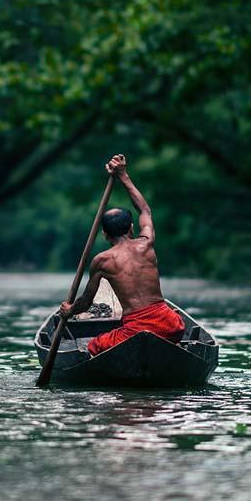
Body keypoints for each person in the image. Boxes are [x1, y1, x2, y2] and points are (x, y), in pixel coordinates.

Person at [59, 153, 184, 357]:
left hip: (135, 332)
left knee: (94, 346)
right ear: (132, 228)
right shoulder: (146, 244)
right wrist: (123, 175)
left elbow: (86, 302)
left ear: (105, 234)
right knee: (171, 325)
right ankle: (170, 347)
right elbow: (145, 209)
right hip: (169, 326)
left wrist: (69, 311)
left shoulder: (102, 261)